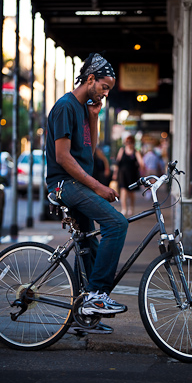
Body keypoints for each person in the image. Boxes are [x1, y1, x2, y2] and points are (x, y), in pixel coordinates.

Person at [46, 52, 129, 329]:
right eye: (104, 87)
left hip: (77, 184)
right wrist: (98, 186)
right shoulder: (65, 107)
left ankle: (86, 316)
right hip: (64, 186)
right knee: (116, 223)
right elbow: (63, 157)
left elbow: (88, 155)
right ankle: (97, 296)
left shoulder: (83, 109)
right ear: (90, 79)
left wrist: (94, 117)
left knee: (88, 246)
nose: (105, 93)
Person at [112, 135, 144, 216]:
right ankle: (124, 208)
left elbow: (141, 163)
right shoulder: (122, 150)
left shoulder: (135, 152)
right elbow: (117, 163)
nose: (128, 144)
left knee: (131, 192)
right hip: (122, 174)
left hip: (132, 174)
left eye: (130, 142)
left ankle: (131, 208)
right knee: (123, 191)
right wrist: (115, 174)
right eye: (127, 142)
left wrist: (141, 168)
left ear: (133, 143)